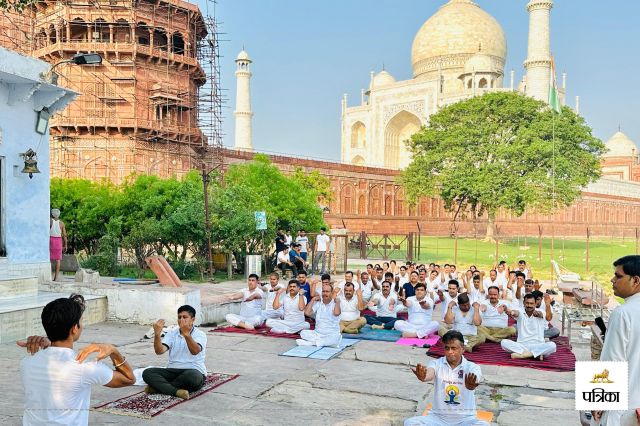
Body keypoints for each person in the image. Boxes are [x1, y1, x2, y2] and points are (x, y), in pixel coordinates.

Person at [18, 294, 135, 425]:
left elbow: (53, 359)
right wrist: (113, 351)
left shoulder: (26, 363)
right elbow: (129, 379)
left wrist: (48, 344)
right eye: (81, 321)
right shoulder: (84, 366)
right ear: (74, 328)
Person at [591, 256, 640, 426]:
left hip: (622, 409)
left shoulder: (623, 313)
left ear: (635, 280)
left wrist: (598, 401)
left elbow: (612, 362)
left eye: (618, 276)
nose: (612, 280)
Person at [405, 330, 487, 426]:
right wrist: (423, 376)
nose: (450, 352)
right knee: (410, 423)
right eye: (447, 348)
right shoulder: (436, 363)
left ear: (463, 348)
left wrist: (471, 386)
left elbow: (475, 379)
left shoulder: (472, 367)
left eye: (454, 348)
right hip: (437, 418)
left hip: (465, 419)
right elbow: (429, 373)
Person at [144, 305, 207, 399]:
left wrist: (186, 334)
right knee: (147, 373)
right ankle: (176, 391)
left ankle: (159, 388)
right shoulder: (172, 333)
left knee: (193, 378)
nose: (181, 320)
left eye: (185, 317)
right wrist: (157, 334)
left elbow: (195, 351)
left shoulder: (200, 334)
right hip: (172, 370)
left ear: (193, 319)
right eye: (179, 317)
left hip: (193, 370)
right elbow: (159, 351)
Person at [501, 293, 556, 360]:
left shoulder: (540, 312)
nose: (529, 305)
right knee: (503, 342)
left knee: (552, 345)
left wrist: (547, 305)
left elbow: (549, 318)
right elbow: (516, 313)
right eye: (527, 303)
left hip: (538, 345)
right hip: (522, 345)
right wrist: (511, 312)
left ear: (535, 304)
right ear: (524, 303)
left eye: (531, 303)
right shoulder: (520, 311)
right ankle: (535, 354)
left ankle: (524, 355)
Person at [297, 282, 342, 347]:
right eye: (323, 291)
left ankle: (311, 343)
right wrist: (312, 300)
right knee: (303, 333)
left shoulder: (336, 303)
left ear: (332, 293)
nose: (325, 293)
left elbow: (337, 313)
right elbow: (307, 313)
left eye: (327, 291)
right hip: (318, 333)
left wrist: (338, 302)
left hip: (331, 334)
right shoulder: (318, 303)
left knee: (336, 337)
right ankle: (323, 342)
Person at [49, 208, 68, 281]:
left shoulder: (50, 221)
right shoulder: (62, 223)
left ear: (52, 214)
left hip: (51, 240)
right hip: (58, 241)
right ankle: (55, 278)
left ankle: (49, 276)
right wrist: (65, 245)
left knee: (49, 259)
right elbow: (64, 235)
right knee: (58, 260)